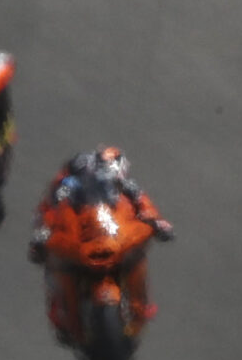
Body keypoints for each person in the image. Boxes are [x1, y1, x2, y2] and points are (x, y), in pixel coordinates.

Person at [27, 146, 174, 342]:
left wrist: (156, 221)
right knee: (54, 264)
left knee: (136, 255)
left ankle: (139, 304)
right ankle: (61, 315)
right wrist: (42, 233)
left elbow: (143, 204)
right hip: (80, 240)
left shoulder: (124, 187)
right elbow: (47, 212)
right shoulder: (65, 186)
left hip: (110, 237)